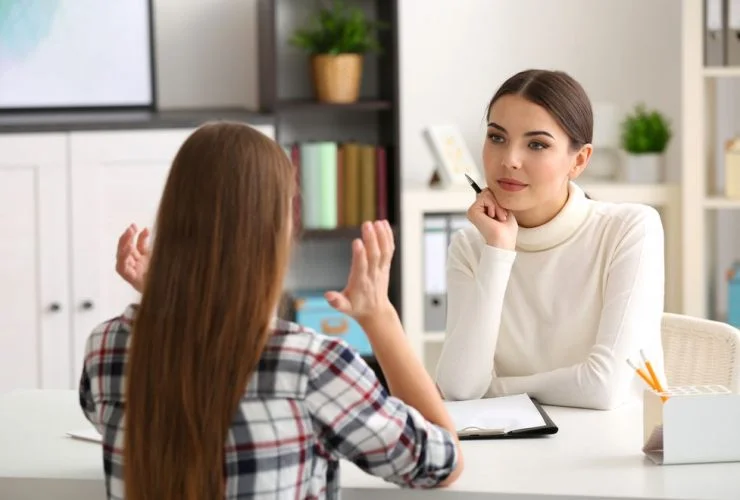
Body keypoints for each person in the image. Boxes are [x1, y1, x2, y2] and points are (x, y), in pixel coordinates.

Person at [78, 122, 463, 500]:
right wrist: (379, 316)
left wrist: (165, 299)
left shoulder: (107, 348)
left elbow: (131, 415)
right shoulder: (310, 366)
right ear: (278, 228)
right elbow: (442, 462)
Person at [435, 69, 666, 410]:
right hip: (516, 451)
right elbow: (459, 388)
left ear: (579, 160)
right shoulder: (471, 246)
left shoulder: (630, 229)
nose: (509, 160)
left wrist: (493, 389)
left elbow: (603, 387)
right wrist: (498, 252)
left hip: (615, 452)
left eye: (537, 144)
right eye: (497, 138)